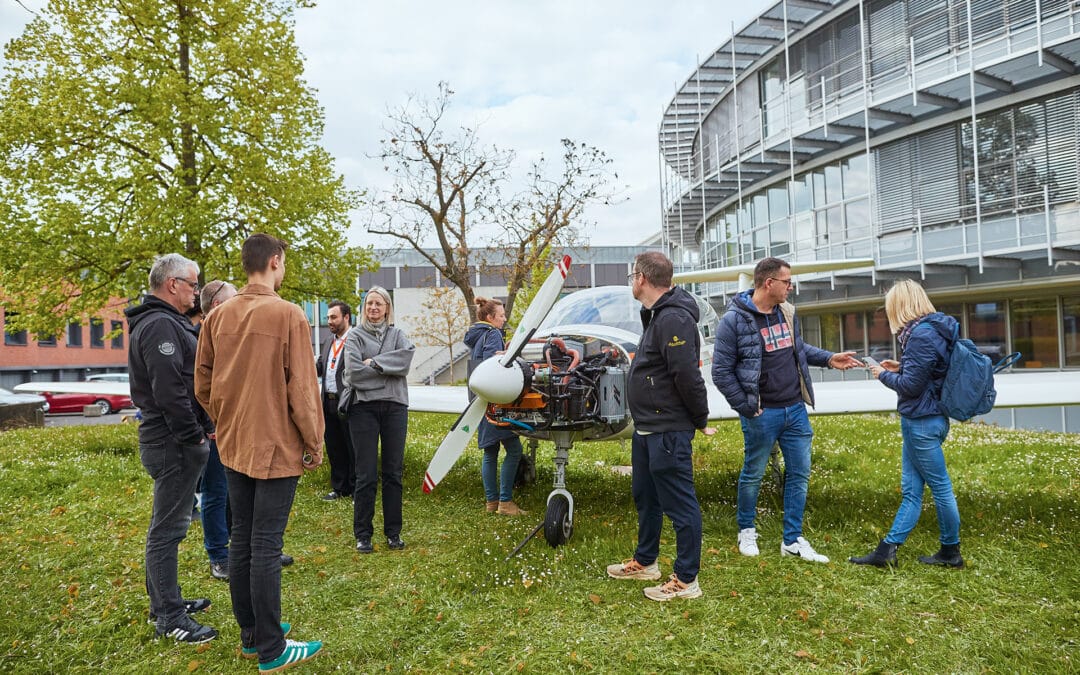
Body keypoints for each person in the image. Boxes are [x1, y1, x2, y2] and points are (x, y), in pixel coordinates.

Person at [195, 234, 325, 671]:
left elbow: (203, 384)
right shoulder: (288, 314)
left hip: (233, 443)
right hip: (275, 445)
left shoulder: (217, 316)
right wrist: (314, 441)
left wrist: (226, 417)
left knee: (244, 541)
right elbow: (303, 389)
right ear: (274, 261)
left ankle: (252, 636)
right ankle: (271, 649)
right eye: (283, 263)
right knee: (265, 544)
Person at [712, 257, 862, 564]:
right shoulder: (734, 321)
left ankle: (792, 540)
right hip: (762, 413)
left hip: (795, 409)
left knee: (799, 474)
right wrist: (747, 408)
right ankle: (746, 530)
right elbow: (721, 372)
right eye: (787, 282)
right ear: (769, 283)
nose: (790, 288)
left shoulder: (786, 312)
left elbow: (797, 349)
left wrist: (830, 358)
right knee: (753, 474)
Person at [607, 251, 714, 602]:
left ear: (641, 278)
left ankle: (686, 580)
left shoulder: (673, 319)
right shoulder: (655, 315)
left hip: (668, 428)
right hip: (647, 427)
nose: (631, 281)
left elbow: (688, 375)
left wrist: (700, 420)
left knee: (680, 505)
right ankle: (646, 561)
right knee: (646, 496)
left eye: (632, 275)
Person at [125, 253, 217, 643]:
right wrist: (194, 435)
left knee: (164, 526)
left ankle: (163, 601)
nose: (197, 291)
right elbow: (170, 390)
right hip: (172, 441)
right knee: (168, 530)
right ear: (172, 284)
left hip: (170, 439)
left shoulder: (165, 322)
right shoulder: (161, 324)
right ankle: (169, 616)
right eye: (193, 284)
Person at [850, 279, 965, 569]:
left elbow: (911, 387)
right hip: (930, 417)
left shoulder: (921, 335)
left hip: (922, 422)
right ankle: (886, 551)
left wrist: (879, 373)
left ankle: (951, 552)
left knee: (940, 488)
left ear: (900, 306)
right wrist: (901, 367)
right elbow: (931, 372)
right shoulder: (935, 330)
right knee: (912, 490)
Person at [341, 286, 414, 554]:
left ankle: (393, 533)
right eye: (369, 303)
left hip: (395, 408)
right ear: (364, 308)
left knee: (393, 473)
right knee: (366, 474)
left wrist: (372, 363)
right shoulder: (354, 337)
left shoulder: (398, 335)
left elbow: (405, 362)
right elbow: (353, 374)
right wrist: (386, 370)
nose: (373, 308)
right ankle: (363, 534)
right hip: (364, 409)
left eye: (379, 304)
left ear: (387, 308)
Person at [464, 297, 525, 516]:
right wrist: (504, 355)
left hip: (480, 402)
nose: (504, 319)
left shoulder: (478, 335)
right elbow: (492, 365)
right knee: (515, 450)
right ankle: (505, 502)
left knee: (490, 452)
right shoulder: (493, 334)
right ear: (490, 317)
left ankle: (491, 502)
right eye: (501, 315)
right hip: (495, 404)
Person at [195, 280, 238, 582]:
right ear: (219, 306)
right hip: (213, 430)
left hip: (232, 426)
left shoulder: (228, 335)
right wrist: (210, 424)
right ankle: (219, 556)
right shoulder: (202, 336)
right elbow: (198, 387)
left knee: (234, 492)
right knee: (215, 492)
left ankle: (244, 549)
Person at [316, 301, 355, 502]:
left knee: (353, 446)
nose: (329, 321)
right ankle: (339, 488)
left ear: (346, 317)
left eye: (333, 317)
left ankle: (357, 489)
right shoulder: (327, 342)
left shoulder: (357, 340)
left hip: (348, 402)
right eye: (328, 317)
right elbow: (320, 367)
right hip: (328, 402)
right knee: (334, 446)